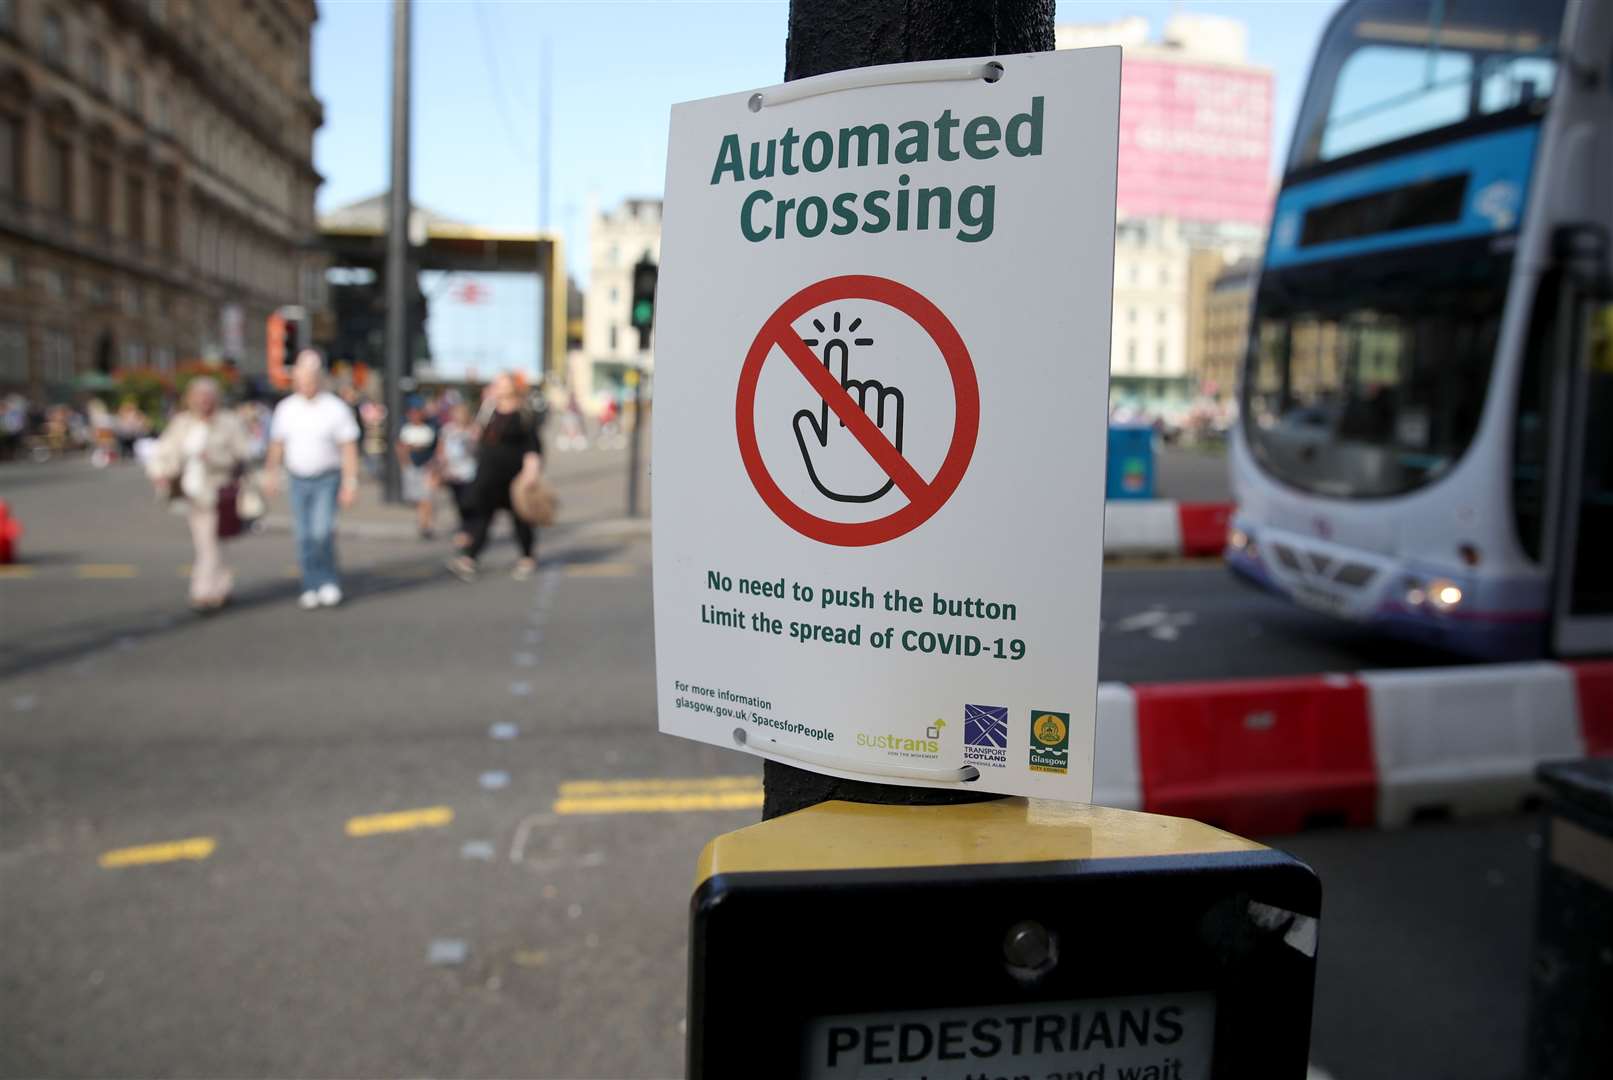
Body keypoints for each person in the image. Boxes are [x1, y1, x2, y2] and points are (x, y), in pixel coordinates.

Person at [262, 351, 361, 610]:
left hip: (327, 478)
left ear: (319, 378)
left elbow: (348, 447)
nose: (305, 384)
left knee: (322, 532)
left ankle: (328, 580)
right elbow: (277, 444)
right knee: (304, 535)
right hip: (297, 478)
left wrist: (350, 483)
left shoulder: (335, 407)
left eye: (310, 378)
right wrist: (271, 474)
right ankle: (310, 583)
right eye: (300, 378)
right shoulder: (286, 408)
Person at [144, 378, 253, 611]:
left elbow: (242, 455)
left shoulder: (228, 422)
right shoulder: (182, 423)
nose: (203, 401)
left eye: (208, 396)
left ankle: (204, 590)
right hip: (189, 491)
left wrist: (214, 458)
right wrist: (159, 473)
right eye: (198, 396)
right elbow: (163, 452)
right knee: (208, 542)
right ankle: (218, 587)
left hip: (219, 491)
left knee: (211, 541)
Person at [447, 373, 542, 582]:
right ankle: (470, 557)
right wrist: (485, 406)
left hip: (514, 476)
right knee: (482, 516)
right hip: (489, 474)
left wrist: (531, 472)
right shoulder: (489, 410)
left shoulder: (523, 414)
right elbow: (476, 435)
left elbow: (533, 446)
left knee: (521, 518)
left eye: (501, 383)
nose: (496, 386)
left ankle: (527, 557)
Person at [435, 400, 479, 548]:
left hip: (470, 472)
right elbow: (441, 450)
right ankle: (465, 528)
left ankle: (469, 530)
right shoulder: (448, 430)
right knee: (458, 502)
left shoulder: (473, 430)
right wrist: (441, 467)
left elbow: (478, 450)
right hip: (453, 473)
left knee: (469, 501)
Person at [395, 398, 439, 540]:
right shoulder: (405, 427)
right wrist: (404, 462)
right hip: (412, 466)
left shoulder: (432, 426)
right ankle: (423, 521)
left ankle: (426, 525)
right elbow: (400, 447)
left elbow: (438, 446)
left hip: (428, 466)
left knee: (427, 497)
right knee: (417, 498)